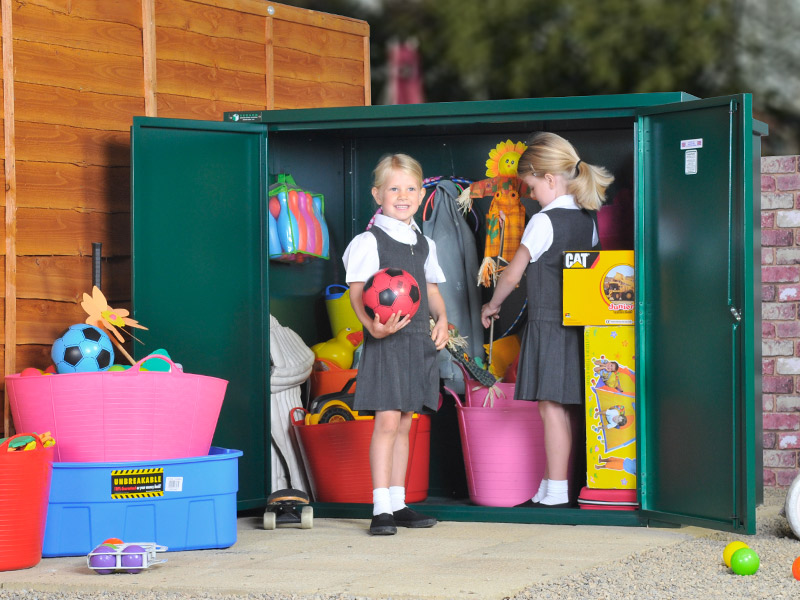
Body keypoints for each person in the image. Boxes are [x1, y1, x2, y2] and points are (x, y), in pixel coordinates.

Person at [480, 132, 614, 508]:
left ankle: (556, 487)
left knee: (551, 407)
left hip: (549, 325)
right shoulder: (588, 220)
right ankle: (550, 483)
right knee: (561, 406)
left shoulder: (543, 221)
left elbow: (511, 274)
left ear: (550, 179)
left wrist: (492, 306)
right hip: (576, 325)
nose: (531, 195)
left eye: (532, 186)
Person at [343, 153, 450, 535]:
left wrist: (444, 320)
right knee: (387, 422)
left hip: (417, 341)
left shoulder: (425, 242)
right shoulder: (367, 241)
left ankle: (400, 502)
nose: (402, 196)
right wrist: (373, 328)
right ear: (377, 194)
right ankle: (380, 508)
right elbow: (357, 291)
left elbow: (432, 289)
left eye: (410, 189)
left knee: (407, 423)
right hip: (386, 342)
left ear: (421, 195)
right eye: (393, 188)